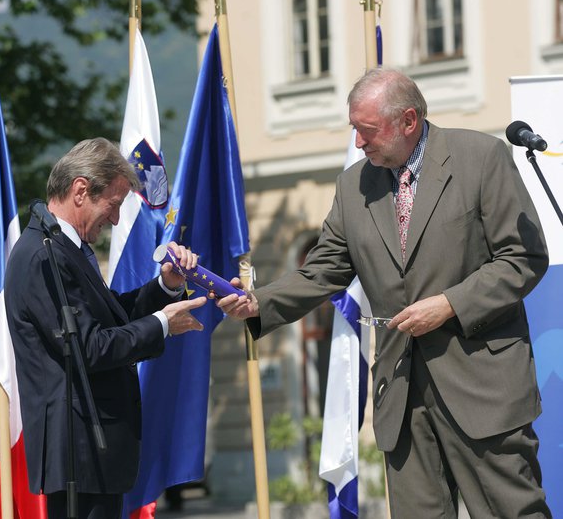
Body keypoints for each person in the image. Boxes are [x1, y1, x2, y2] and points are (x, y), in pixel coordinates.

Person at [218, 68, 552, 518]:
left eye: (367, 130)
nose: (358, 142)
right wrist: (259, 302)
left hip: (483, 390)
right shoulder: (353, 187)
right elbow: (322, 269)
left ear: (408, 121)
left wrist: (450, 304)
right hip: (401, 395)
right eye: (354, 129)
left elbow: (523, 258)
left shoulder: (482, 158)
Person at [4, 138, 207, 519]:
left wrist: (166, 286)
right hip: (77, 452)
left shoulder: (66, 248)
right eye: (113, 205)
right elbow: (90, 348)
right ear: (81, 190)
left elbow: (111, 316)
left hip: (94, 452)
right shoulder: (41, 255)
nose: (115, 219)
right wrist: (163, 323)